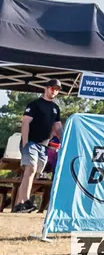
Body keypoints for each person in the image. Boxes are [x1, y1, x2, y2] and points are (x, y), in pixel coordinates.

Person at [13, 80, 61, 213]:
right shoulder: (34, 105)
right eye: (52, 88)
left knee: (34, 174)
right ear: (46, 88)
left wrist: (64, 141)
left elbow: (58, 127)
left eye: (57, 89)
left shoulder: (55, 108)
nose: (54, 91)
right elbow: (25, 123)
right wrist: (25, 143)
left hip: (43, 146)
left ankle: (19, 204)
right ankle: (27, 202)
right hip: (31, 143)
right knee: (31, 169)